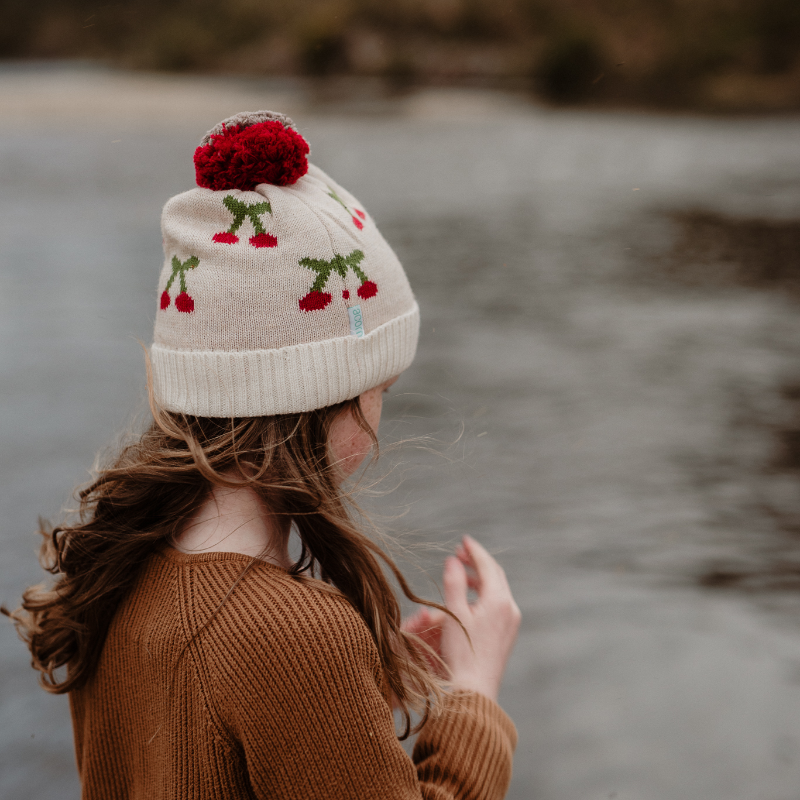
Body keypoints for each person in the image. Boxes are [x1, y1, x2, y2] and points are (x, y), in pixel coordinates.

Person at [5, 110, 521, 800]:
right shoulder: (297, 638)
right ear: (320, 394)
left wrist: (370, 679)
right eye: (380, 389)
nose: (381, 417)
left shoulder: (117, 569)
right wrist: (475, 699)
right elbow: (257, 668)